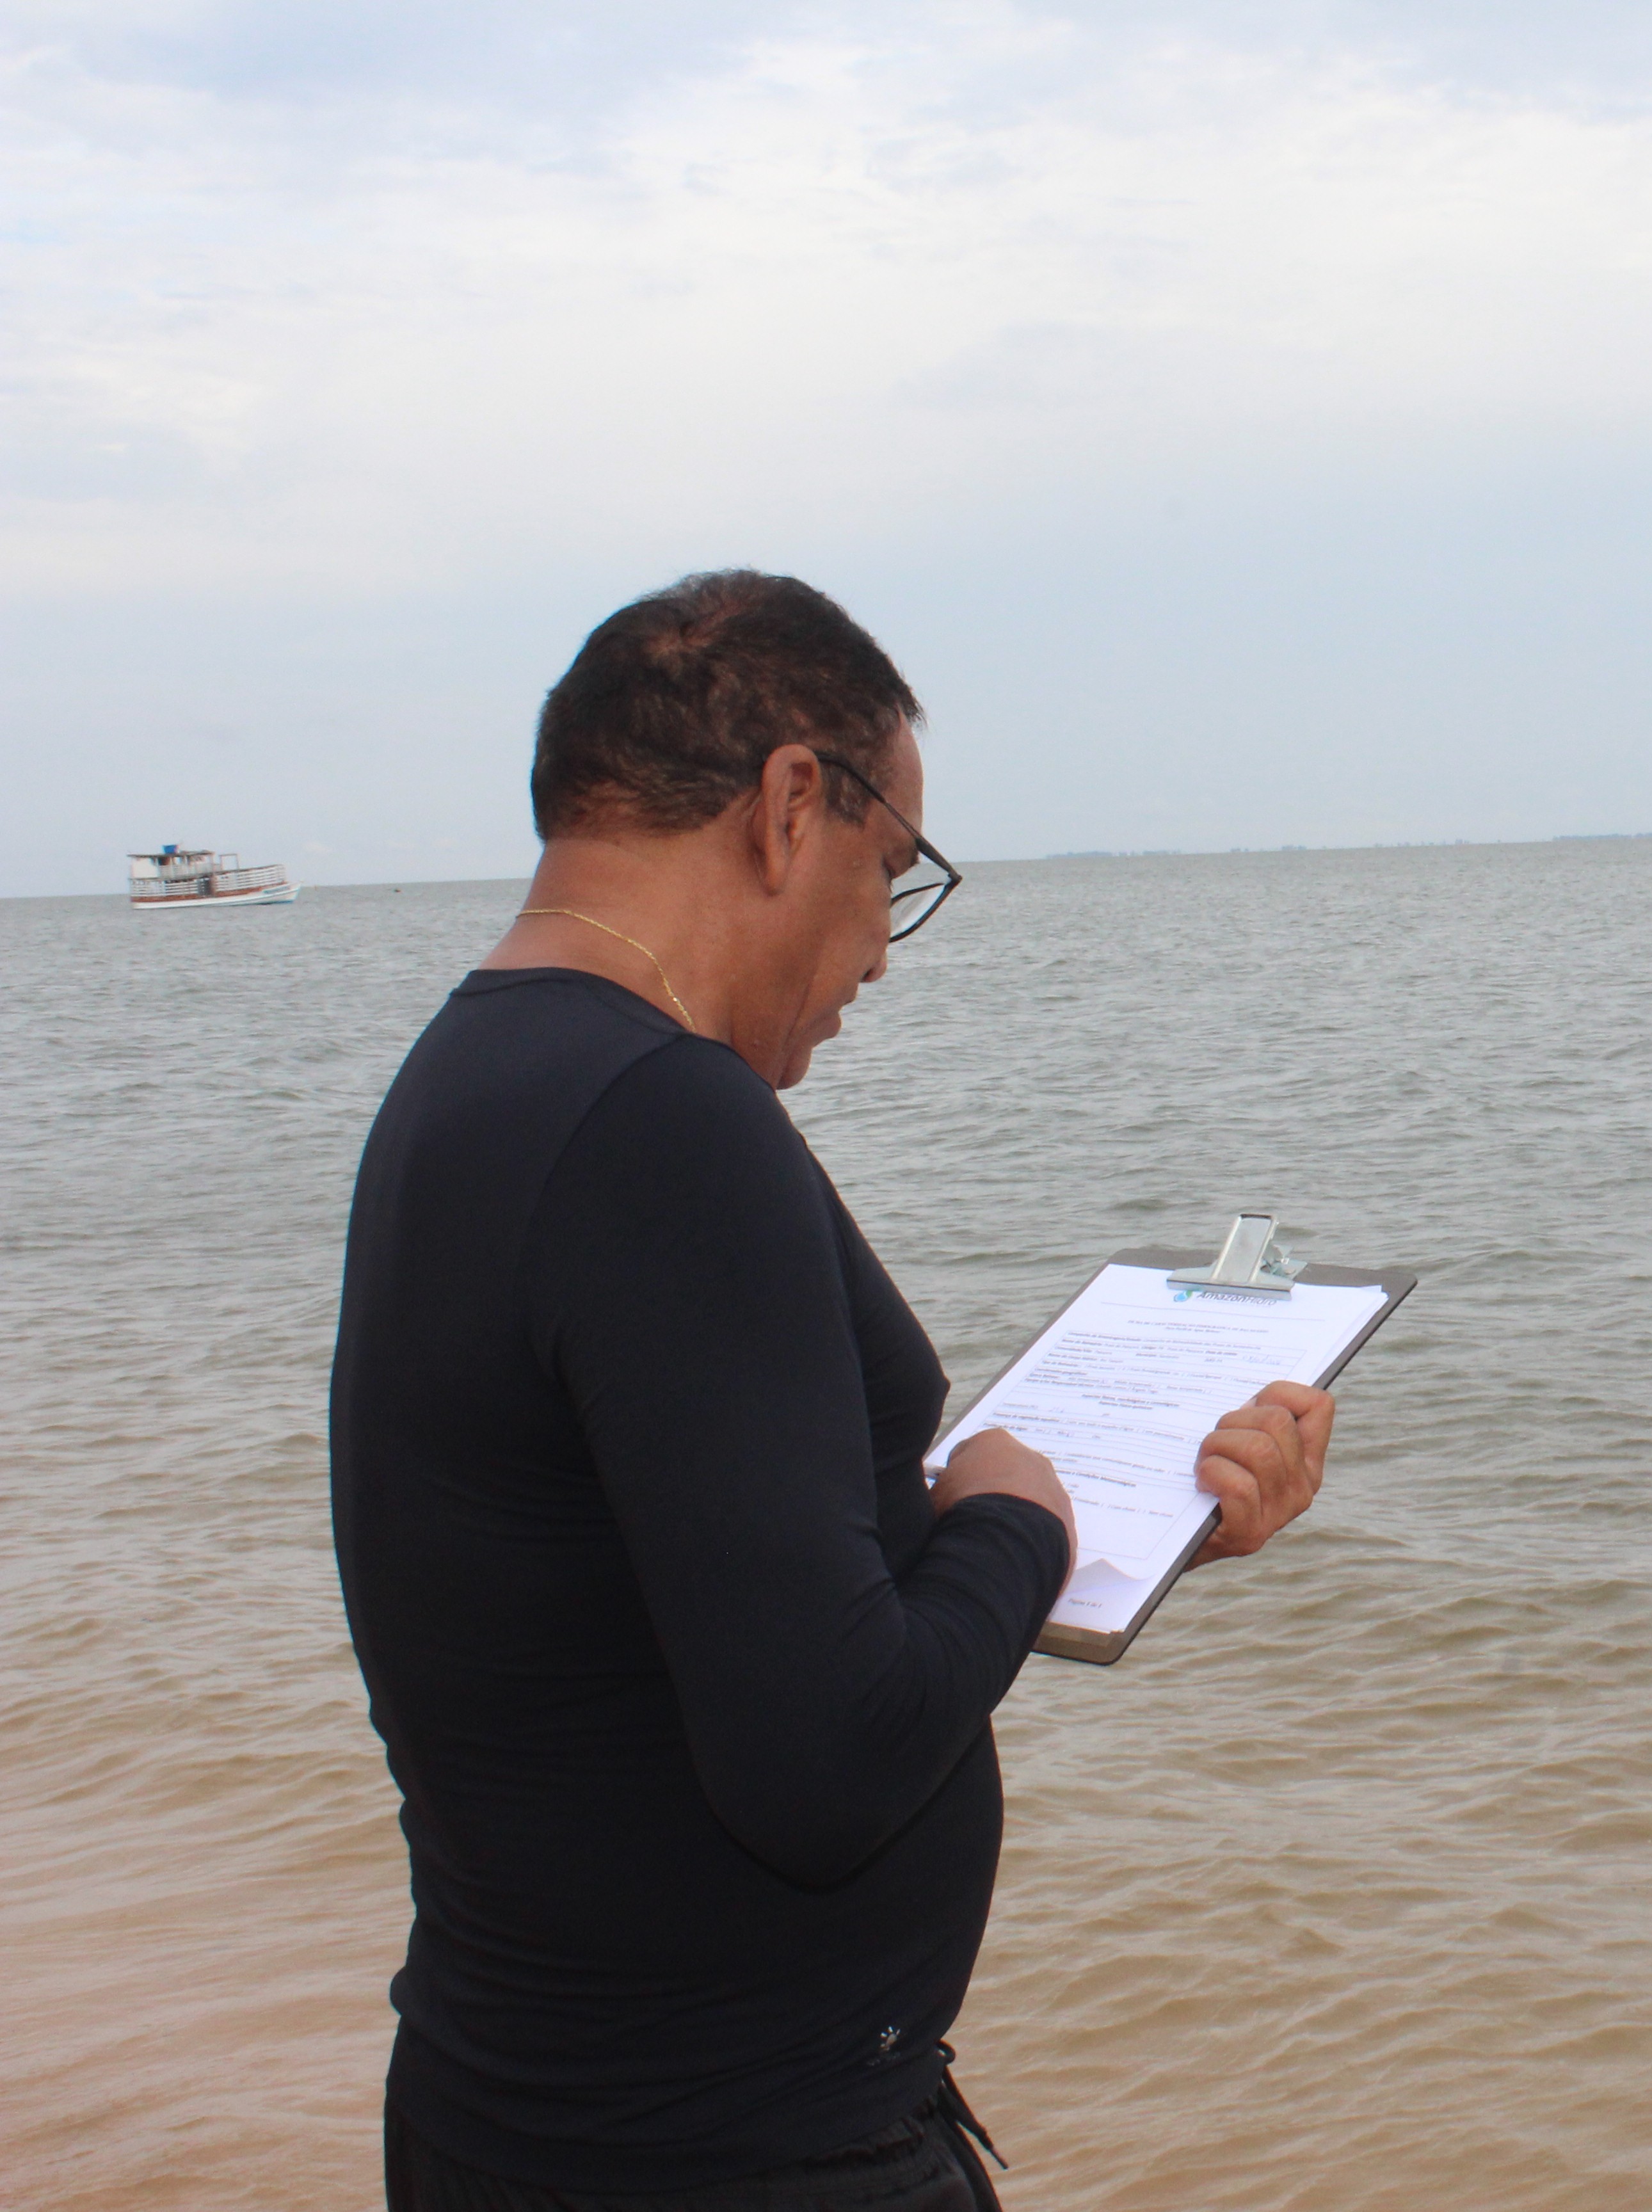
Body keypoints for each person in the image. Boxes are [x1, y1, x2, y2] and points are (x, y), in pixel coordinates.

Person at [330, 571, 1336, 2210]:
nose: (880, 945)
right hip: (729, 2152)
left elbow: (667, 1571)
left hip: (529, 2109)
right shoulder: (665, 1119)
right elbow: (828, 1762)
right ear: (793, 803)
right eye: (895, 869)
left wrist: (1143, 1516)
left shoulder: (477, 1077)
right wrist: (1017, 1522)